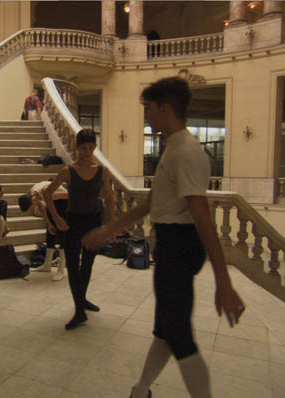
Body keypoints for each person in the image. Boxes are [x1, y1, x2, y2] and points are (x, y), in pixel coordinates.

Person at [82, 77, 245, 398]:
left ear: (165, 108)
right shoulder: (173, 148)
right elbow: (151, 203)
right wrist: (107, 230)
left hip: (179, 248)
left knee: (180, 335)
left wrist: (224, 282)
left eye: (149, 109)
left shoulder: (186, 152)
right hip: (172, 245)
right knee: (167, 329)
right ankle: (141, 390)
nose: (146, 116)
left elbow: (203, 219)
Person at [44, 129, 116, 330]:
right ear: (77, 148)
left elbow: (110, 198)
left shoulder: (102, 171)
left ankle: (81, 301)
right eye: (84, 148)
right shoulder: (68, 171)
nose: (87, 151)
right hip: (73, 222)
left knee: (88, 264)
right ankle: (78, 309)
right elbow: (47, 193)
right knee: (73, 266)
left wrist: (111, 225)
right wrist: (57, 219)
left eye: (91, 147)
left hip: (93, 222)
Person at [18, 180, 67, 281]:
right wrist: (49, 224)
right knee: (50, 234)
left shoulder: (47, 192)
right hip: (52, 204)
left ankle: (61, 270)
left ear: (32, 200)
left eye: (31, 207)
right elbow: (41, 206)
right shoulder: (32, 192)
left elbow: (68, 195)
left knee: (62, 236)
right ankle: (47, 265)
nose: (32, 209)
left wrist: (58, 219)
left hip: (63, 204)